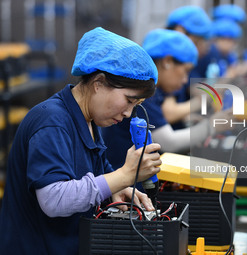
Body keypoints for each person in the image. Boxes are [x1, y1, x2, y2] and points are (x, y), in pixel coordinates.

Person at [0, 27, 162, 255]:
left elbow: (95, 172)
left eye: (135, 106)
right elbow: (53, 199)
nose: (128, 113)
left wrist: (118, 189)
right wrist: (124, 175)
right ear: (99, 82)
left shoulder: (88, 120)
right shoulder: (52, 122)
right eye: (128, 100)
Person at [102, 29, 232, 173]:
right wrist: (211, 126)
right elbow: (169, 142)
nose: (184, 80)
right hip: (127, 184)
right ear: (168, 61)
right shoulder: (143, 93)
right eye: (185, 71)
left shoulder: (156, 90)